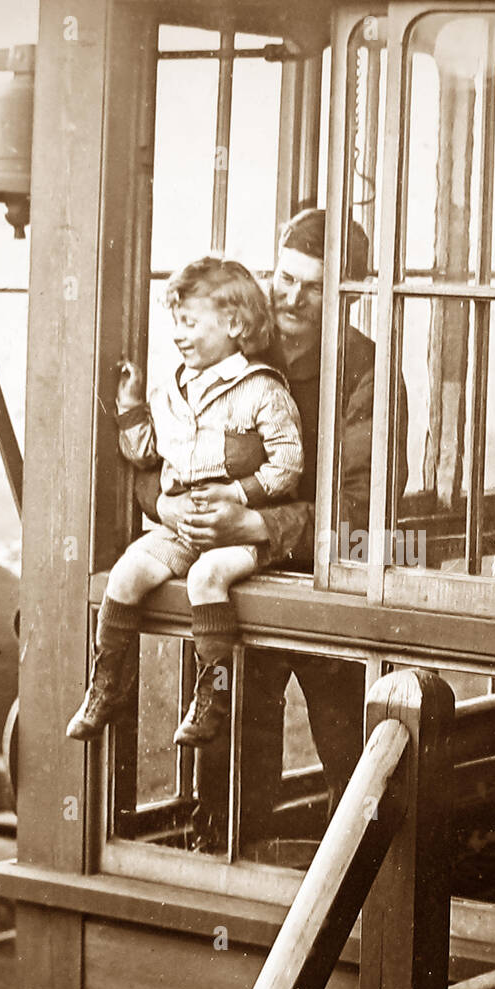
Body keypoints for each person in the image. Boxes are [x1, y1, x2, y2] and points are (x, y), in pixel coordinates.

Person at [156, 209, 407, 836]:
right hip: (232, 590)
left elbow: (367, 507)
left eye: (315, 285)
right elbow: (157, 455)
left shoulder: (369, 373)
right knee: (230, 750)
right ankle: (224, 866)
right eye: (284, 277)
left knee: (355, 759)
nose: (291, 296)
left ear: (348, 291)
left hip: (325, 589)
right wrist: (164, 507)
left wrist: (258, 526)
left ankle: (358, 893)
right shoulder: (227, 351)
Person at [67, 256, 303, 746]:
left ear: (234, 324)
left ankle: (213, 693)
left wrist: (239, 497)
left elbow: (288, 465)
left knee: (205, 576)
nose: (178, 333)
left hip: (240, 529)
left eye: (190, 322)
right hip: (179, 529)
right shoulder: (170, 390)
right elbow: (145, 453)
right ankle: (106, 684)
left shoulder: (261, 390)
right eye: (175, 322)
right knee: (127, 573)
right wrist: (132, 405)